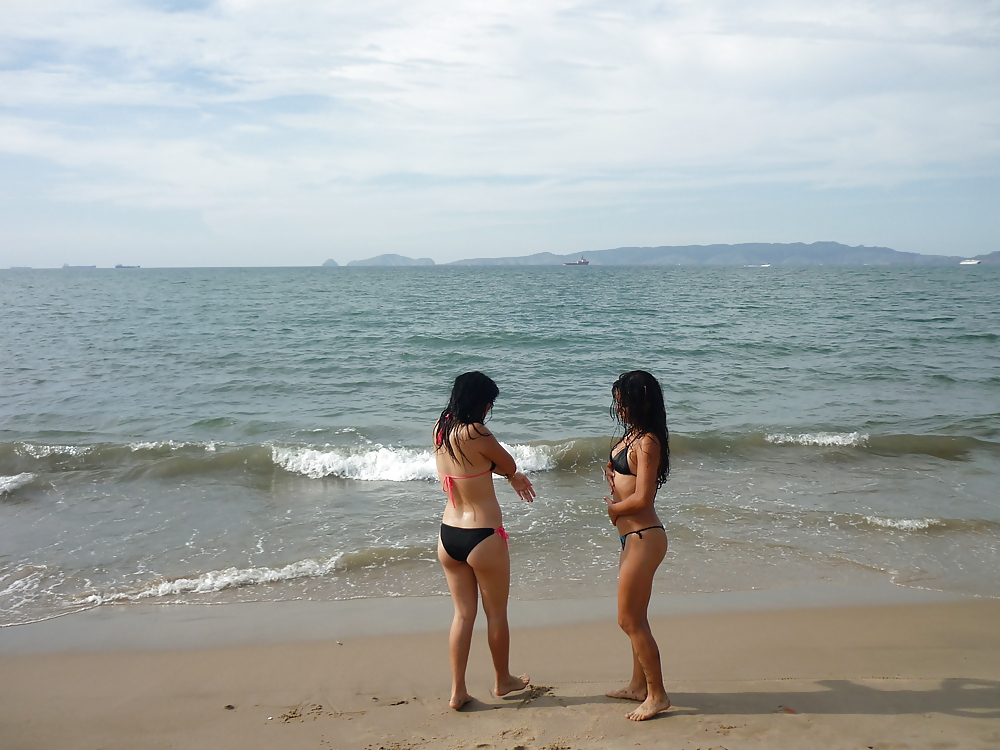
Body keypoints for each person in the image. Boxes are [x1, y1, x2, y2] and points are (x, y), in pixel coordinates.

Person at [434, 371, 536, 709]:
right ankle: (502, 680)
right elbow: (506, 462)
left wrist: (508, 474)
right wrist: (514, 475)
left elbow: (476, 463)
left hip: (448, 535)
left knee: (462, 616)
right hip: (483, 536)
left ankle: (457, 691)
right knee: (496, 613)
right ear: (482, 403)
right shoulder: (477, 431)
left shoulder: (442, 428)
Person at [603, 370, 672, 721]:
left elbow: (643, 498)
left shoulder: (648, 442)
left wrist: (614, 508)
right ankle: (638, 685)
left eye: (624, 402)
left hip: (644, 536)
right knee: (637, 616)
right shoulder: (632, 436)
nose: (620, 409)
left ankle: (657, 694)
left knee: (628, 619)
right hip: (631, 537)